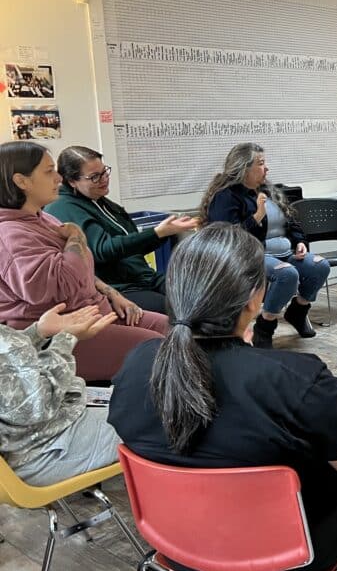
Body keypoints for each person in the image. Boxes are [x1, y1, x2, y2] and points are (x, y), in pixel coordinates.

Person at [108, 224, 337, 571]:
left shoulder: (136, 365)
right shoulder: (294, 377)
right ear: (254, 297)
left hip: (179, 552)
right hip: (287, 562)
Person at [0, 142, 167, 383]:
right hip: (59, 332)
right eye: (49, 171)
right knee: (157, 351)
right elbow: (57, 286)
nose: (58, 178)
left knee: (173, 330)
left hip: (95, 310)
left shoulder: (41, 217)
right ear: (21, 181)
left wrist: (112, 294)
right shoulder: (11, 234)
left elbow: (82, 271)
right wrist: (78, 234)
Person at [200, 143, 330, 349]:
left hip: (285, 251)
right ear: (244, 168)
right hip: (250, 255)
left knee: (320, 265)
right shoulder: (226, 196)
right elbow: (227, 238)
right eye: (260, 164)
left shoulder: (269, 189)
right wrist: (257, 217)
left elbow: (292, 221)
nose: (266, 168)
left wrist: (300, 242)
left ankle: (298, 312)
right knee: (287, 274)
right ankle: (265, 325)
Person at [44, 146, 198, 314]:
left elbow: (132, 245)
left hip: (144, 278)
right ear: (72, 181)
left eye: (104, 172)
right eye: (94, 177)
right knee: (177, 310)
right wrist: (157, 233)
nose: (104, 180)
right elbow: (102, 251)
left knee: (200, 295)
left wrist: (165, 232)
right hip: (119, 288)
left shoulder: (101, 201)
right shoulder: (64, 207)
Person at [1, 304, 120, 485]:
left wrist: (38, 331)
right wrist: (66, 338)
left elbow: (7, 363)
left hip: (40, 431)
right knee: (156, 420)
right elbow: (38, 403)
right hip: (37, 450)